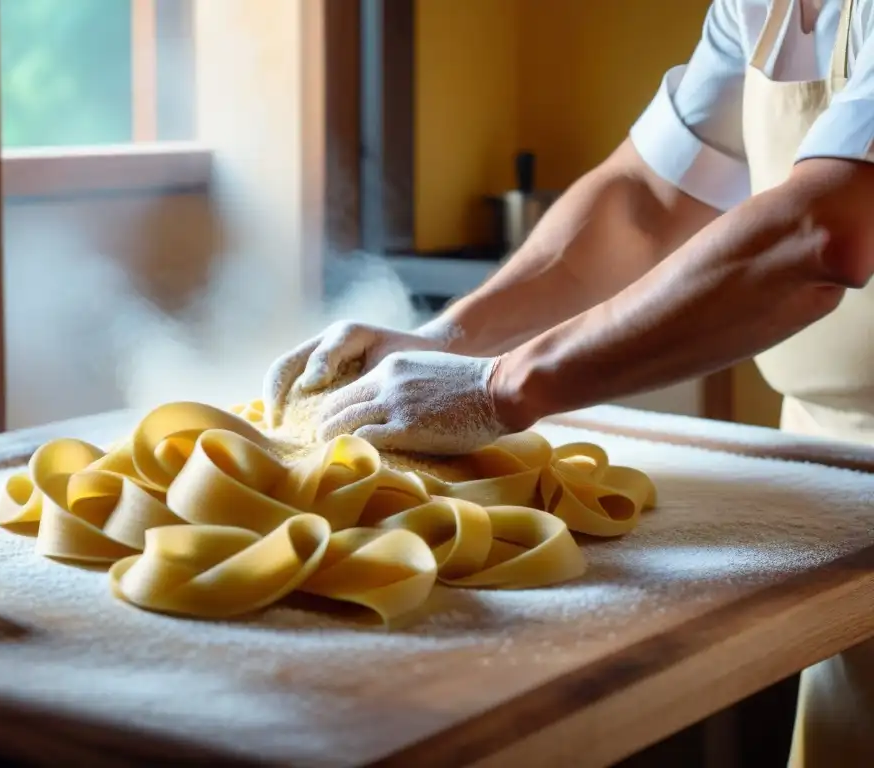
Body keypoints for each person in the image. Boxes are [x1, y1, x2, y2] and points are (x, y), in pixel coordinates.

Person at [263, 0, 874, 764]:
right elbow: (646, 200)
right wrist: (450, 338)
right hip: (837, 476)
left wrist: (499, 388)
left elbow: (823, 232)